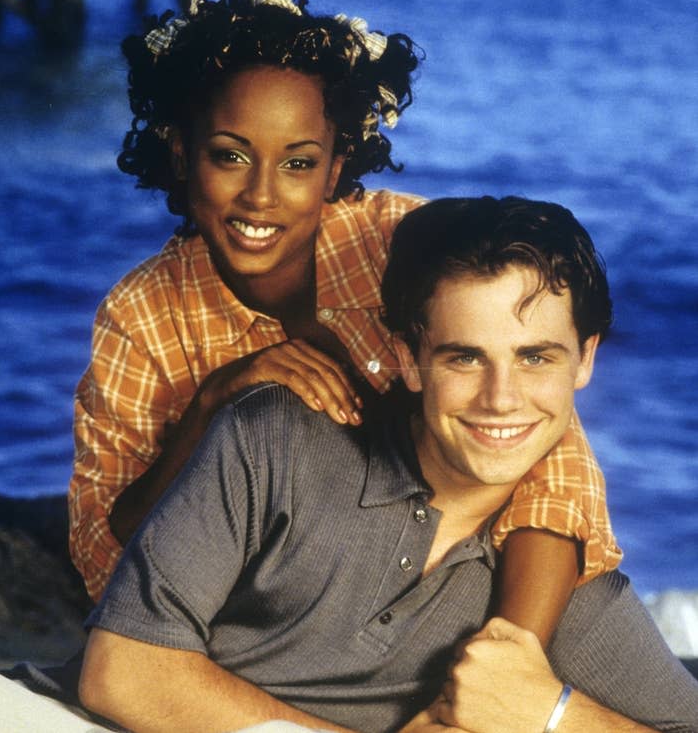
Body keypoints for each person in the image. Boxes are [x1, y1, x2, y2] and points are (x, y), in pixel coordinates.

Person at [69, 0, 620, 643]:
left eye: (299, 162)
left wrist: (514, 653)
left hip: (469, 582)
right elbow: (101, 559)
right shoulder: (140, 315)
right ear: (181, 152)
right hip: (279, 623)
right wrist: (216, 399)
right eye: (229, 154)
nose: (261, 194)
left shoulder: (401, 240)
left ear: (335, 168)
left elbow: (544, 440)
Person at [77, 196, 698, 733]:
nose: (501, 398)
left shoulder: (570, 594)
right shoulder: (275, 442)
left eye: (536, 358)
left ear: (585, 360)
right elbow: (119, 672)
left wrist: (553, 713)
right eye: (464, 359)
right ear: (408, 358)